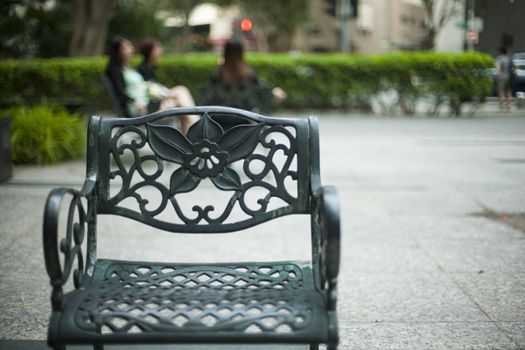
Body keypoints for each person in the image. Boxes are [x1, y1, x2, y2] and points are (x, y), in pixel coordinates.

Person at [105, 36, 195, 134]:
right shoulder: (116, 70)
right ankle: (197, 129)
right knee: (181, 93)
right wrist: (134, 100)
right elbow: (120, 93)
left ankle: (188, 140)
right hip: (142, 109)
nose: (131, 49)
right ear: (118, 51)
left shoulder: (128, 69)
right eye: (126, 47)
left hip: (148, 103)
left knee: (181, 105)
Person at [495, 47, 513, 112]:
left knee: (501, 92)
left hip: (501, 78)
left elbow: (498, 68)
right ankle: (509, 107)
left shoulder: (499, 58)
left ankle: (501, 107)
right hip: (509, 77)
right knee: (508, 92)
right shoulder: (509, 58)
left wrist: (497, 75)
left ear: (500, 52)